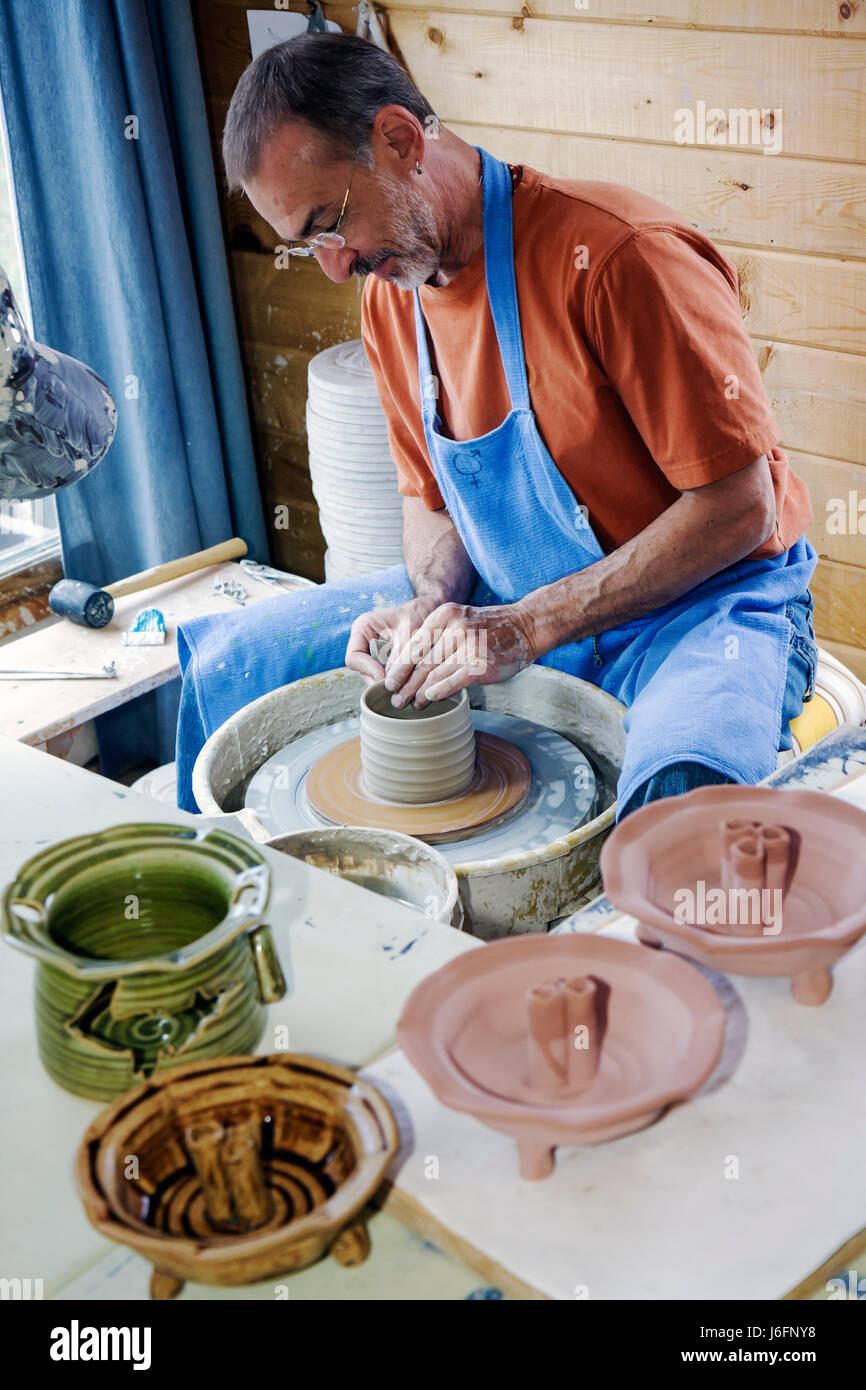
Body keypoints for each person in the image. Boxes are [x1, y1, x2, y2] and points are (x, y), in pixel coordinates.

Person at [175, 32, 817, 819]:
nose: (335, 266)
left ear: (402, 140)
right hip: (505, 598)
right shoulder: (391, 297)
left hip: (696, 610)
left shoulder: (618, 259)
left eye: (331, 222)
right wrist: (433, 601)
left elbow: (740, 508)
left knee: (679, 805)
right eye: (308, 243)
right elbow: (428, 502)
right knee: (233, 663)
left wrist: (527, 626)